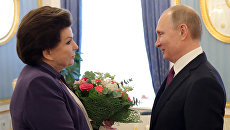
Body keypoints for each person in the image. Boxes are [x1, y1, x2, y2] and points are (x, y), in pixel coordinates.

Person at [10, 6, 93, 130]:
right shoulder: (39, 84)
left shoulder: (41, 75)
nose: (75, 46)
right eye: (68, 42)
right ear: (48, 52)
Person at [150, 5, 226, 130]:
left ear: (182, 31)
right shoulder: (179, 73)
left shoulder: (204, 82)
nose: (157, 43)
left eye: (161, 34)